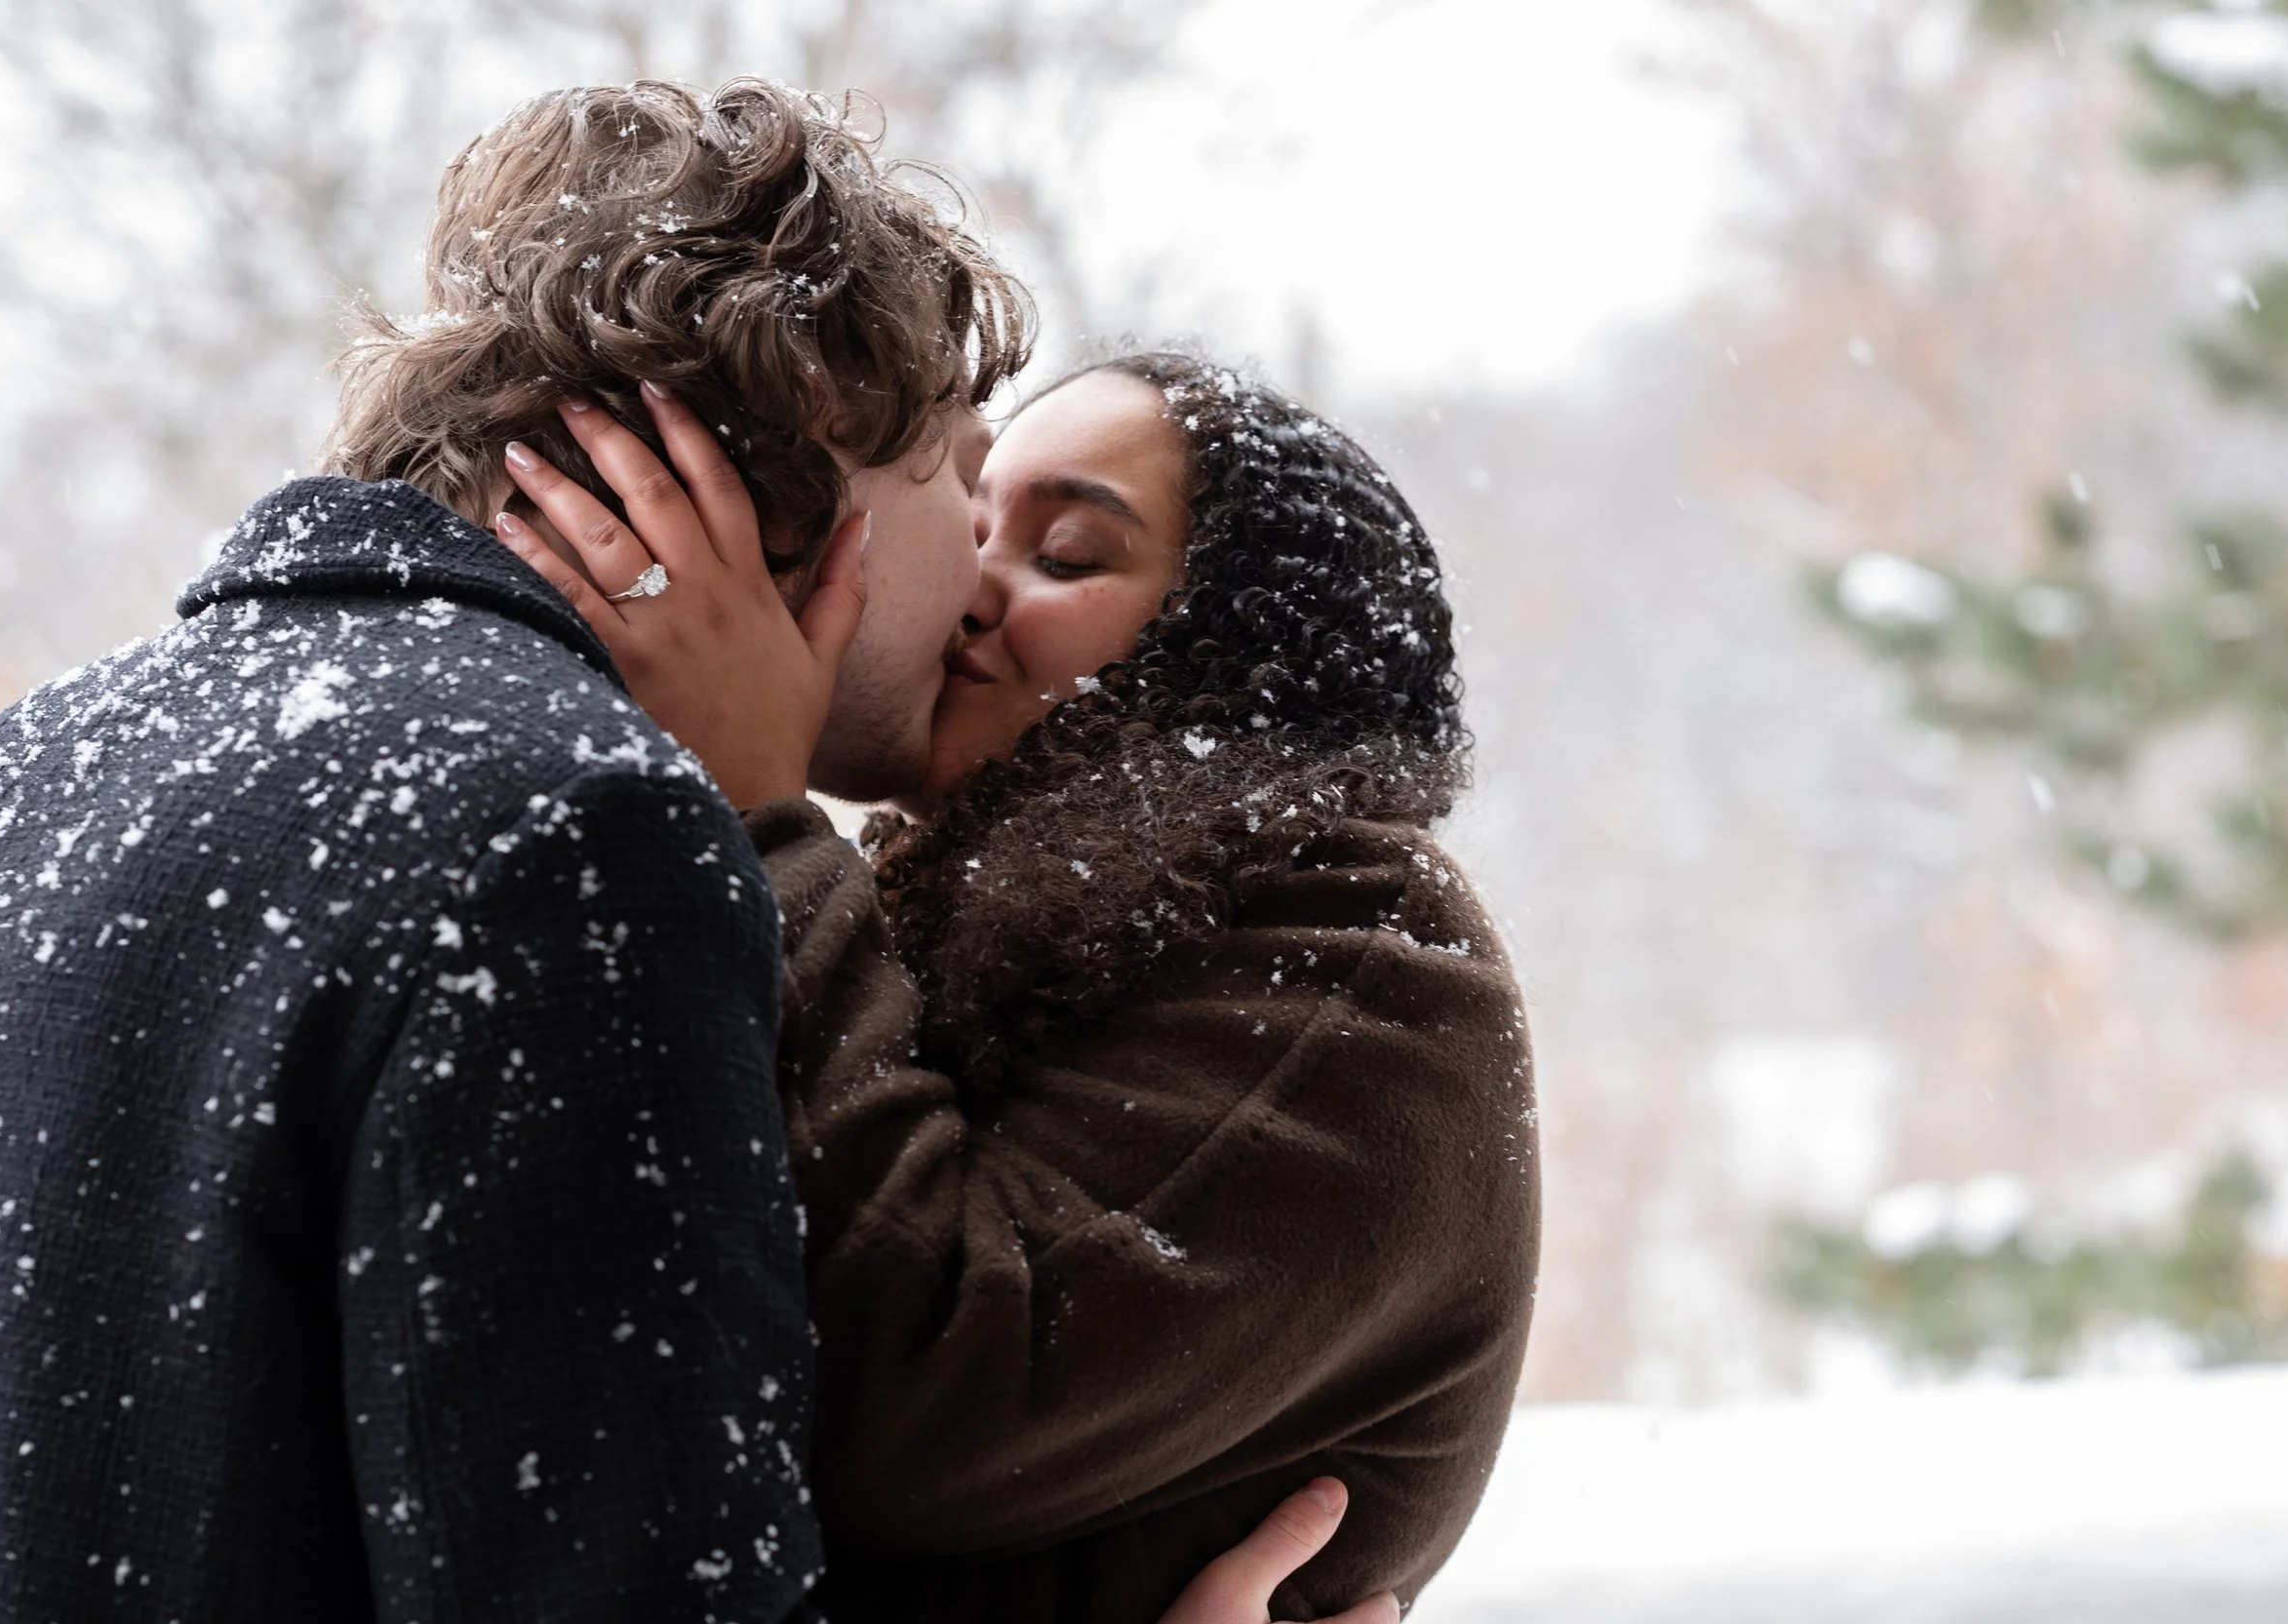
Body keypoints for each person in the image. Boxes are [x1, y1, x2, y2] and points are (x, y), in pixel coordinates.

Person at [0, 73, 1385, 1624]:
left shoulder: (4, 774)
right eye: (954, 474)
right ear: (815, 455)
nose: (975, 578)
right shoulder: (580, 839)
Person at [499, 350, 1541, 1621]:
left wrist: (758, 805)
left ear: (1235, 647)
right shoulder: (960, 914)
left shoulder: (1362, 944)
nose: (965, 593)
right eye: (971, 526)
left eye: (1063, 556)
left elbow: (924, 1401)